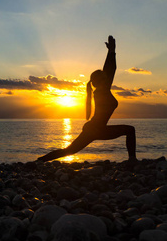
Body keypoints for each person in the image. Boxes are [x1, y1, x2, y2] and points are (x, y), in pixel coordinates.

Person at [37, 35, 137, 163]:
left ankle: (39, 161)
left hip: (97, 129)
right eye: (104, 78)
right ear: (100, 81)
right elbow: (110, 70)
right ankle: (39, 161)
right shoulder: (102, 91)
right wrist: (111, 51)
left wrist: (111, 52)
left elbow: (108, 71)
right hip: (96, 129)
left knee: (70, 150)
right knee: (69, 151)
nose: (108, 78)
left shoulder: (100, 90)